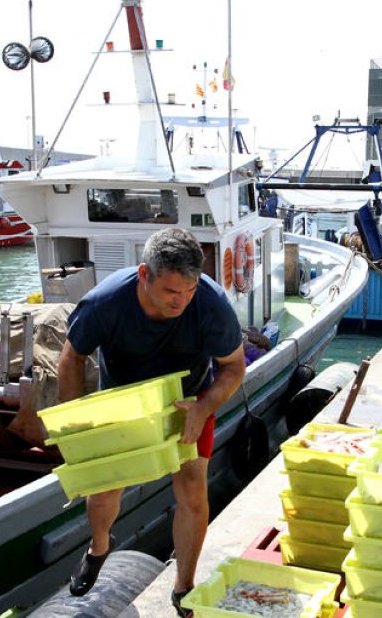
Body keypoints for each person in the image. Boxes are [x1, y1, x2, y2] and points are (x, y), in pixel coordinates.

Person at [57, 228, 245, 617]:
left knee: (193, 492)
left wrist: (204, 407)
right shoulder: (106, 302)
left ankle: (183, 587)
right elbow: (72, 355)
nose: (182, 301)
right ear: (145, 274)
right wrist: (73, 423)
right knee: (106, 490)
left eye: (189, 291)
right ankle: (99, 546)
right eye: (172, 292)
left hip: (188, 402)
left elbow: (233, 367)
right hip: (123, 403)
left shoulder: (211, 304)